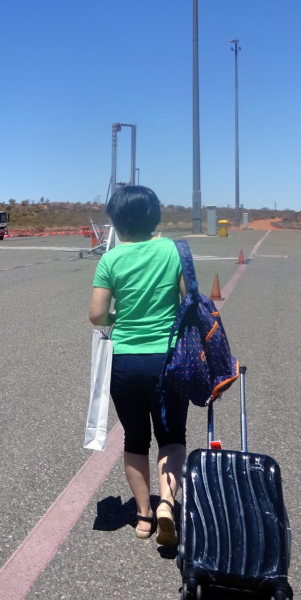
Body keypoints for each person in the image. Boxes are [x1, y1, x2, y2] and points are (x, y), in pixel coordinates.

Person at [89, 186, 186, 546]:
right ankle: (167, 504)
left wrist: (120, 314)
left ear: (116, 221)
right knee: (172, 438)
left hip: (125, 361)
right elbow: (191, 301)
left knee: (135, 439)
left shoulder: (111, 259)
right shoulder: (172, 251)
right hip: (167, 359)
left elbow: (97, 314)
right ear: (155, 216)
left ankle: (144, 516)